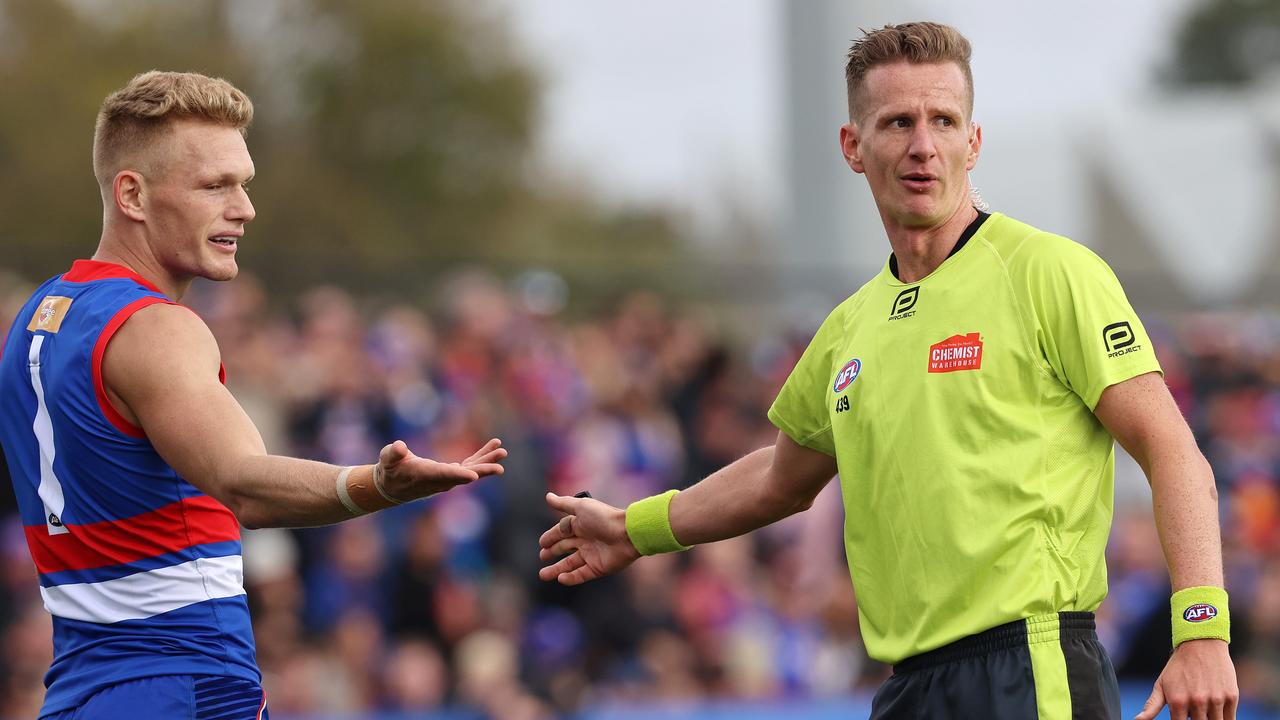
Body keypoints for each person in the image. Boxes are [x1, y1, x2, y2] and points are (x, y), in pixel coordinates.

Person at [538, 22, 1238, 720]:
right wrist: (636, 529)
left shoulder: (1049, 272)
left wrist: (1202, 628)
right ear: (853, 146)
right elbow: (779, 480)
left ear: (974, 141)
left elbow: (1170, 447)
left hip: (1030, 670)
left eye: (943, 120)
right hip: (907, 689)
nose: (923, 146)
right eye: (898, 122)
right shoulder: (849, 328)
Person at [0, 71, 507, 719]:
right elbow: (245, 485)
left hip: (79, 689)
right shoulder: (156, 327)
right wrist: (376, 486)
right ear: (132, 194)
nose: (244, 208)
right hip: (184, 680)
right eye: (215, 186)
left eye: (244, 184)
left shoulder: (41, 313)